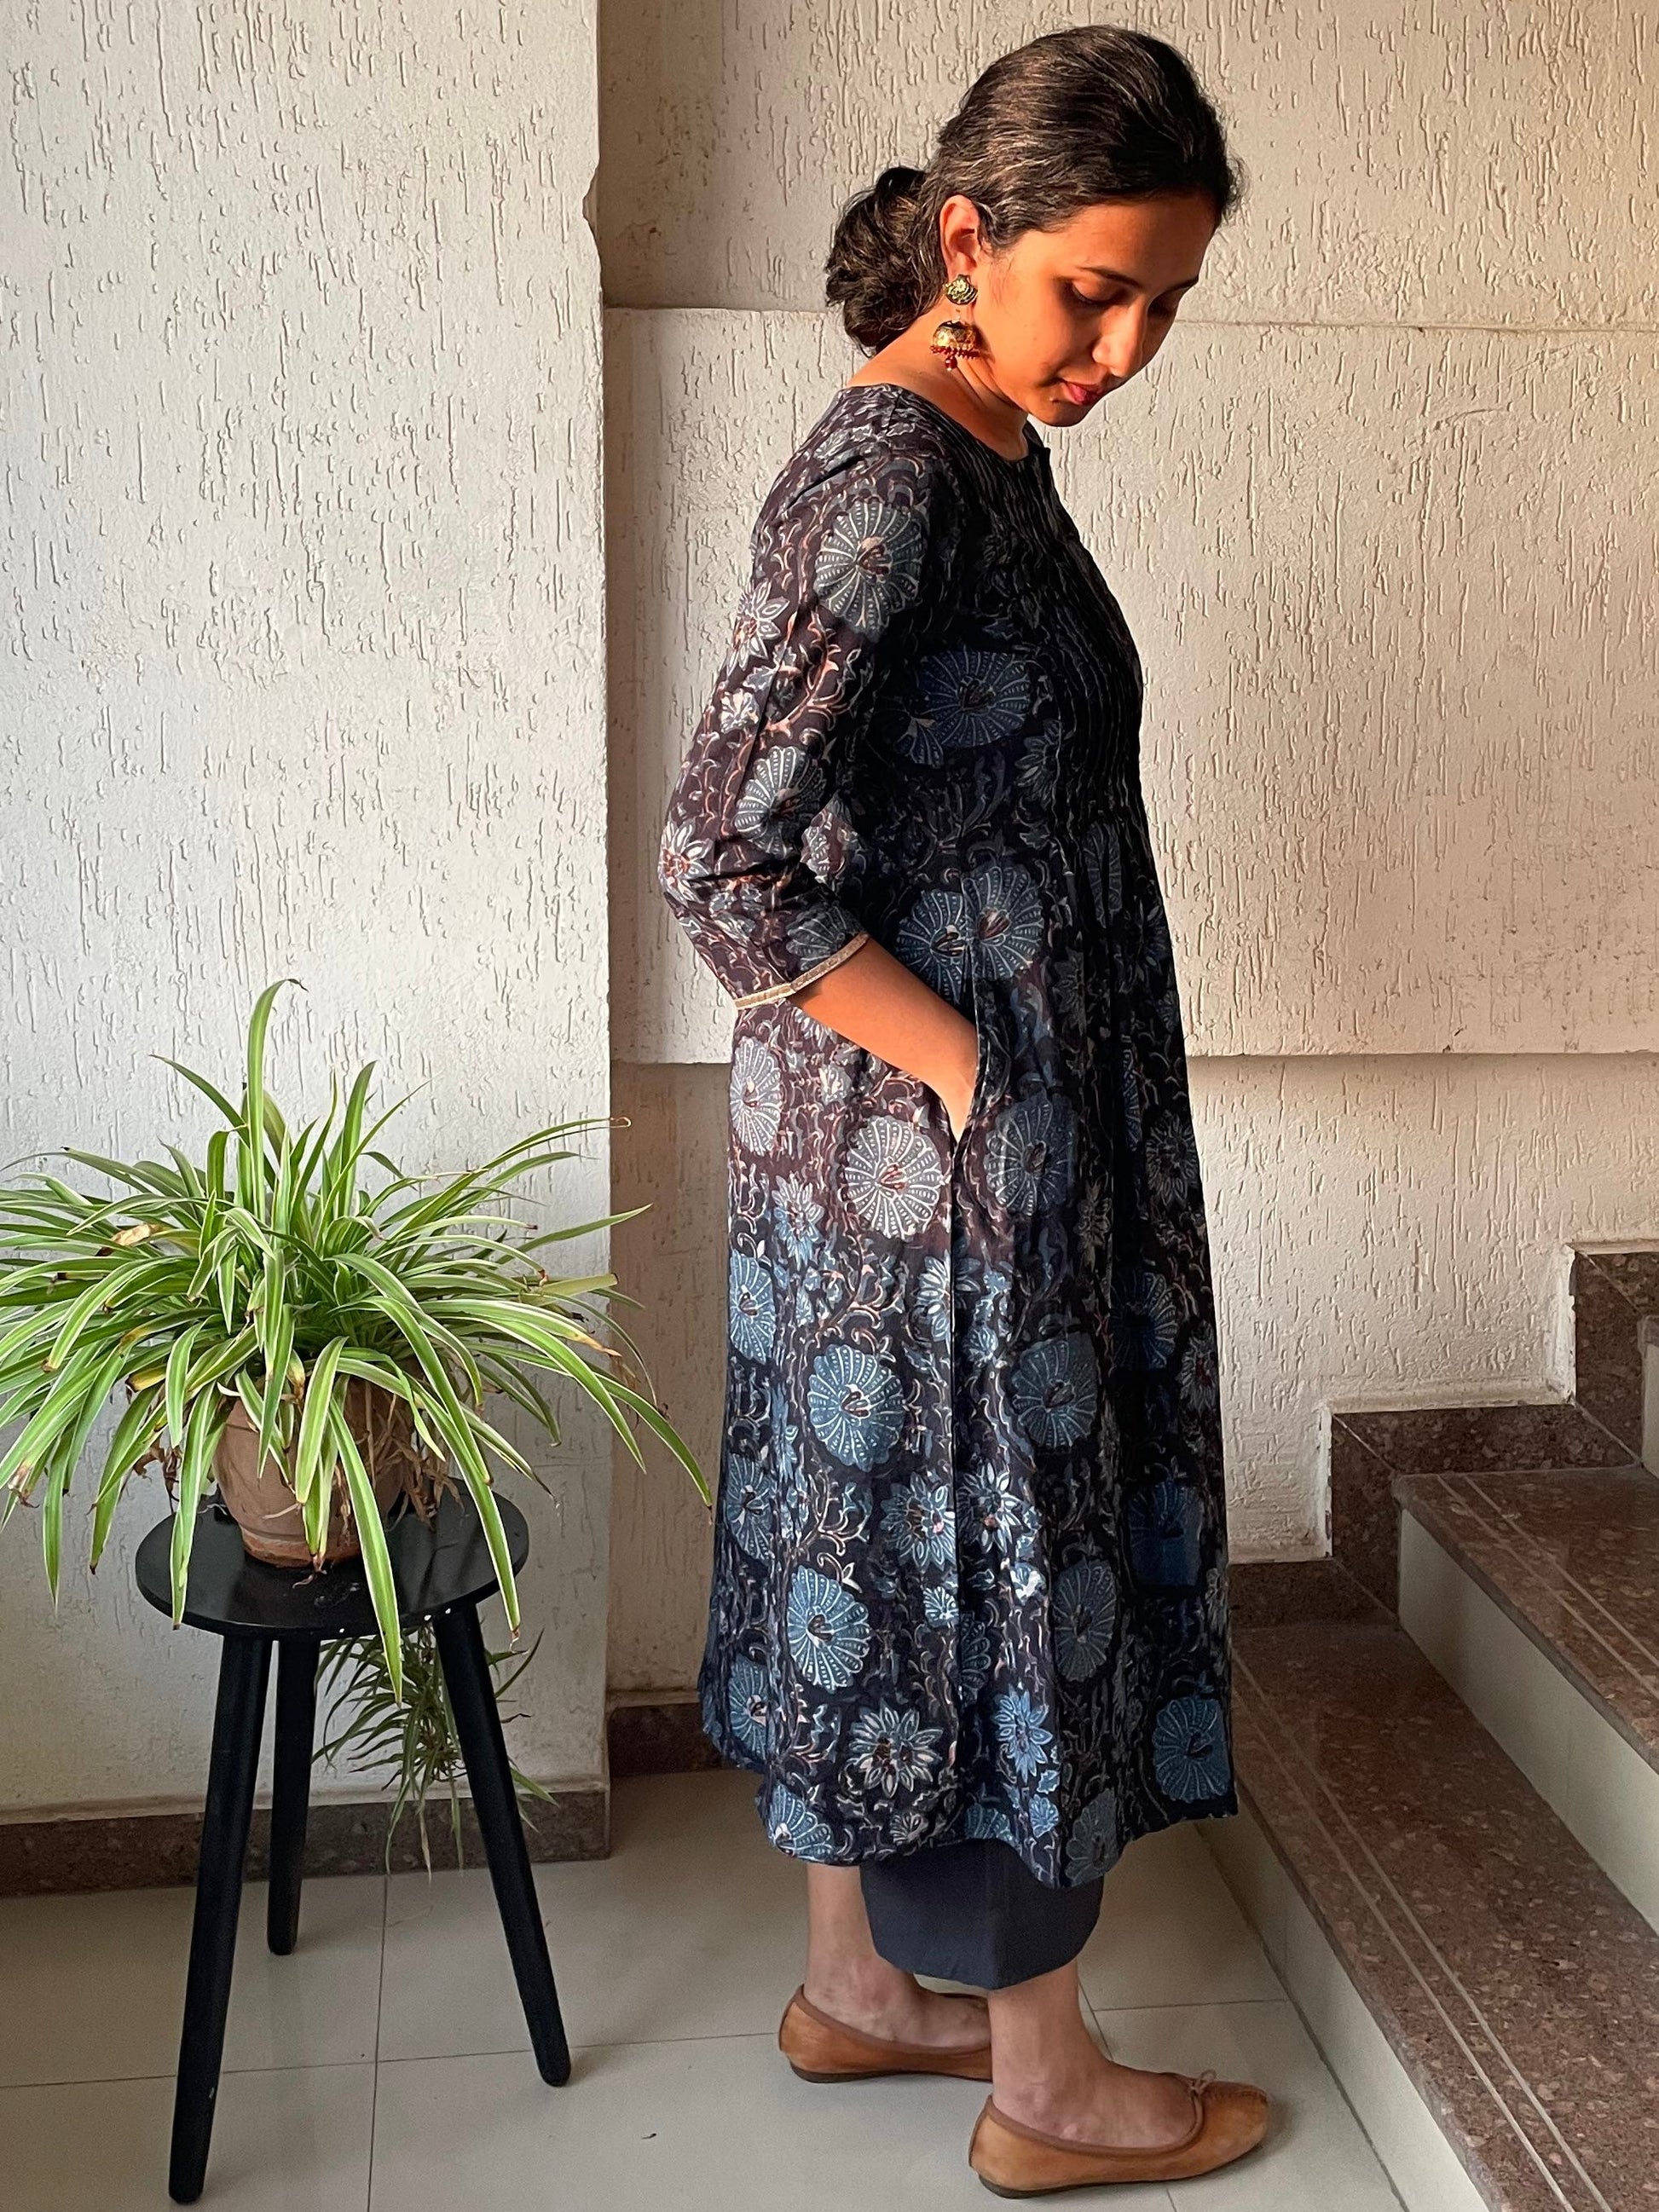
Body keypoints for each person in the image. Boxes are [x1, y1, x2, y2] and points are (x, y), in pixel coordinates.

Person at [656, 23, 1269, 2196]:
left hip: (931, 1156)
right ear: (963, 237)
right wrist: (973, 1069)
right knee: (998, 1566)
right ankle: (1046, 2079)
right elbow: (720, 853)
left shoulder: (988, 437)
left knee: (896, 1560)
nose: (1125, 347)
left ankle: (861, 1988)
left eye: (1165, 303)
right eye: (1093, 290)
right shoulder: (893, 477)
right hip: (937, 1178)